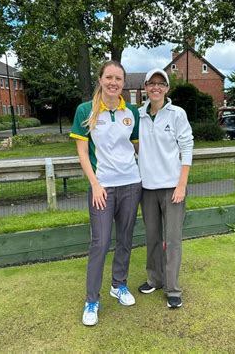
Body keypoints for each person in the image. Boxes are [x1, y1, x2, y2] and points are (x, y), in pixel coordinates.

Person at [70, 61, 142, 326]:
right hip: (102, 186)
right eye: (109, 77)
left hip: (132, 184)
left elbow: (136, 148)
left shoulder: (131, 111)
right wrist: (96, 184)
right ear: (100, 79)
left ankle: (118, 285)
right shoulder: (85, 110)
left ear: (124, 83)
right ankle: (92, 301)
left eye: (119, 79)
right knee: (100, 242)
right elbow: (81, 152)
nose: (114, 82)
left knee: (124, 238)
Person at [137, 68, 194, 309]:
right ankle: (155, 279)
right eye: (152, 83)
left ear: (167, 88)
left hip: (173, 189)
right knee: (152, 238)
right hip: (147, 188)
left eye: (161, 83)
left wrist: (182, 184)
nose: (156, 87)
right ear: (146, 87)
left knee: (172, 240)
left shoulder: (177, 114)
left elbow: (187, 148)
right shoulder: (137, 114)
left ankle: (172, 289)